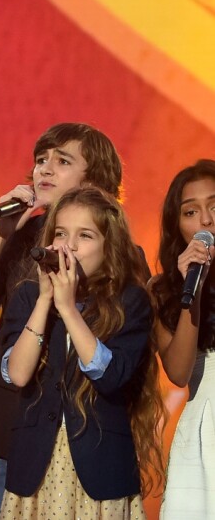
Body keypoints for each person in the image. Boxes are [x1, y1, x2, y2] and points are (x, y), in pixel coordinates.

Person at [0, 123, 124, 515]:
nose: (44, 169)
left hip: (83, 426)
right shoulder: (18, 237)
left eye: (62, 161)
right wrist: (0, 235)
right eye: (40, 160)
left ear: (95, 181)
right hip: (15, 417)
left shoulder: (117, 252)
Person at [0, 187, 164, 518]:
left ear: (109, 247)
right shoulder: (30, 297)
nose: (67, 246)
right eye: (60, 233)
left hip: (101, 472)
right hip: (35, 470)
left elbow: (111, 375)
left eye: (84, 236)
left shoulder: (130, 302)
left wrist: (69, 309)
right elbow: (16, 373)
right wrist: (46, 301)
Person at [149, 159, 215, 519]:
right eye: (191, 211)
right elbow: (178, 372)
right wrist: (198, 288)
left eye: (214, 206)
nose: (205, 220)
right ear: (178, 225)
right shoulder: (163, 291)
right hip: (204, 426)